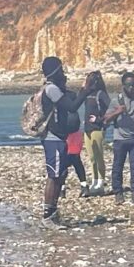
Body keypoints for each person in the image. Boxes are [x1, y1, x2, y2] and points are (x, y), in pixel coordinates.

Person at [38, 57, 93, 225]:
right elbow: (71, 106)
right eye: (61, 70)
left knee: (60, 174)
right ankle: (48, 214)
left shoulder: (56, 88)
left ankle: (53, 212)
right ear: (55, 72)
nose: (63, 74)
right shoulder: (51, 89)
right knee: (54, 176)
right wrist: (85, 90)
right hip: (52, 138)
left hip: (60, 137)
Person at [104, 71, 134, 204]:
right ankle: (118, 193)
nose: (131, 88)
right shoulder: (116, 100)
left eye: (133, 85)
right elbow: (106, 120)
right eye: (129, 85)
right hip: (120, 139)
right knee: (118, 166)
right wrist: (117, 112)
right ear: (123, 85)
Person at [82, 70, 110, 194]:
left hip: (97, 128)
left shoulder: (101, 94)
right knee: (92, 157)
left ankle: (101, 181)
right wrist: (83, 88)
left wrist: (99, 119)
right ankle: (94, 180)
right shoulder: (86, 94)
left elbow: (111, 110)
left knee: (99, 156)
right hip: (87, 129)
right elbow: (78, 99)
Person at [65, 128, 89, 196]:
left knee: (63, 164)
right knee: (77, 162)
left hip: (66, 135)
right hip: (75, 134)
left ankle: (61, 189)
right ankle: (84, 186)